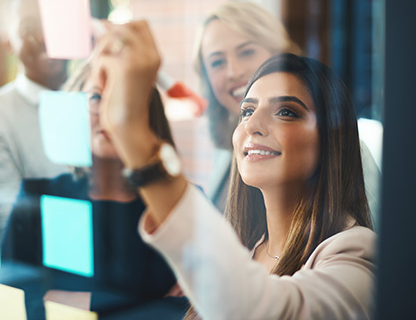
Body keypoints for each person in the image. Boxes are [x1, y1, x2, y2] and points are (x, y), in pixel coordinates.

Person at [93, 22, 376, 319]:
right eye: (247, 111)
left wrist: (134, 134)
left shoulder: (357, 253)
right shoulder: (246, 248)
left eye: (286, 112)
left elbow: (264, 310)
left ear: (333, 140)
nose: (251, 126)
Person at [0, 61, 187, 319]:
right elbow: (14, 304)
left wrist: (71, 301)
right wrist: (148, 304)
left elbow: (197, 306)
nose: (109, 111)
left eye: (124, 98)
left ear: (149, 113)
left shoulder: (179, 204)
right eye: (97, 97)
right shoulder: (40, 200)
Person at [194, 1, 381, 224]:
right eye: (217, 62)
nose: (233, 71)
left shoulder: (339, 146)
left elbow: (375, 245)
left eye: (246, 52)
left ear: (280, 54)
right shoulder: (230, 149)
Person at [0, 0, 69, 277]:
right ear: (8, 42)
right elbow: (9, 230)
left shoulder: (100, 101)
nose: (45, 35)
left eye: (54, 22)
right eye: (28, 28)